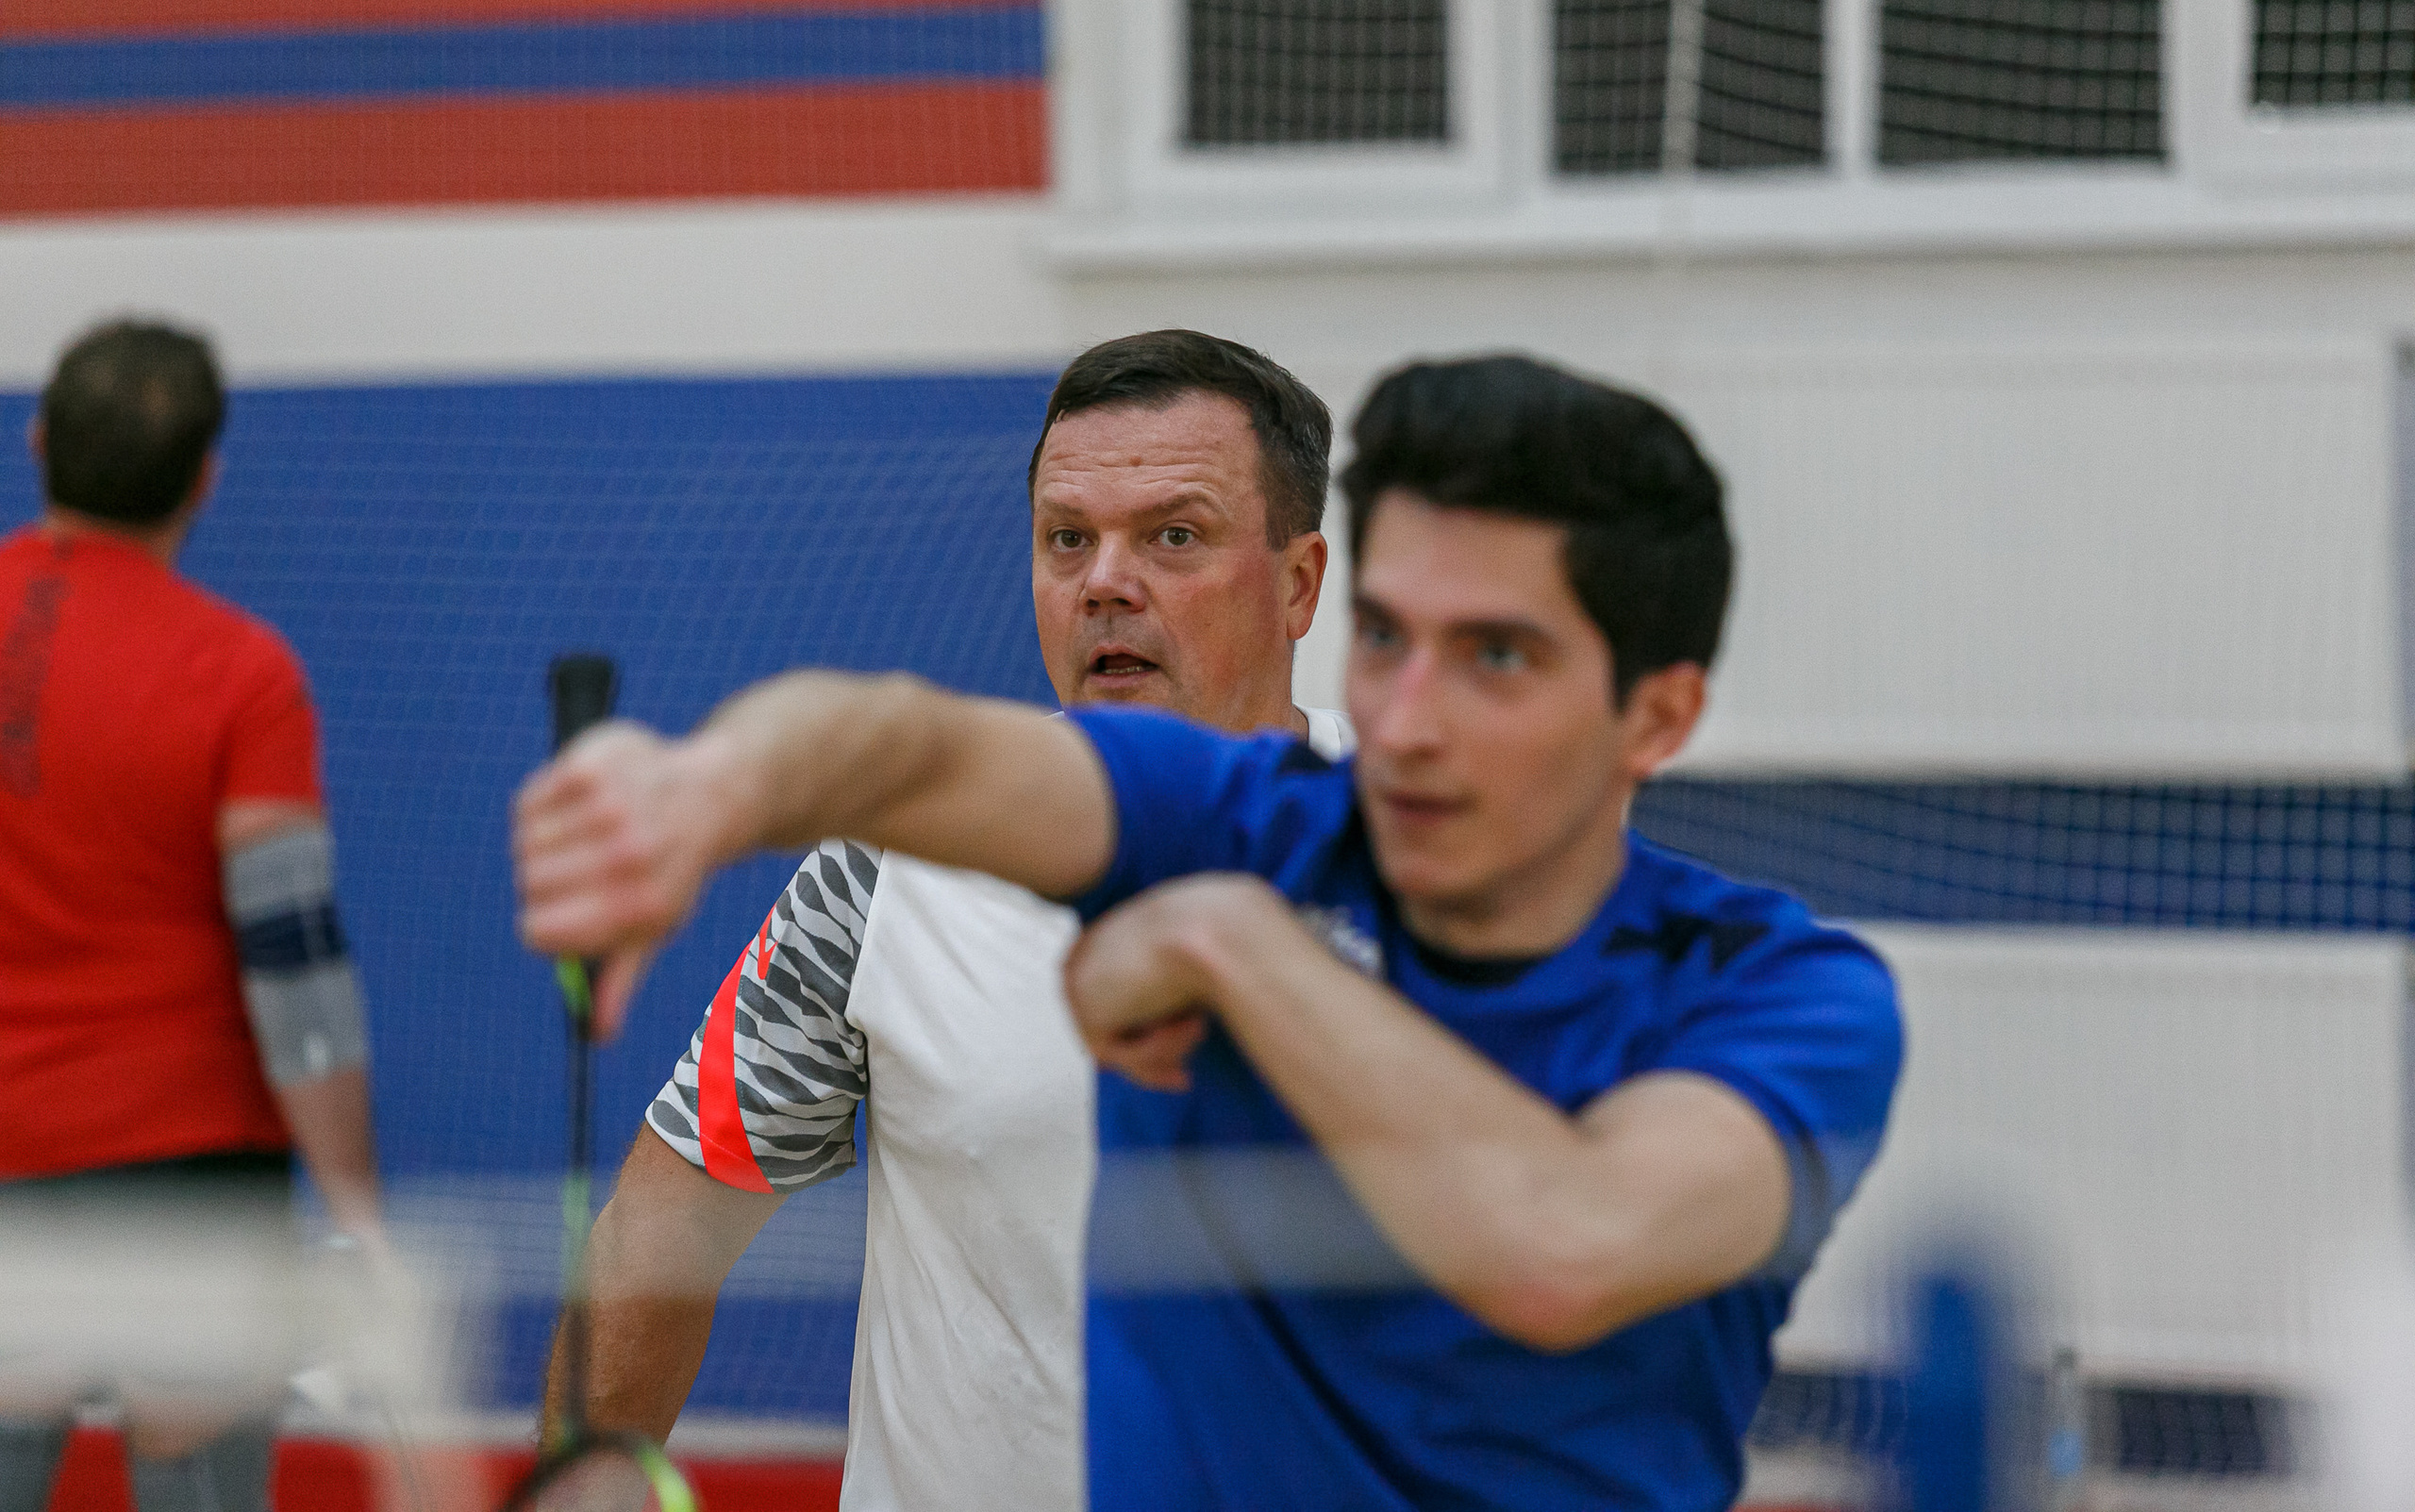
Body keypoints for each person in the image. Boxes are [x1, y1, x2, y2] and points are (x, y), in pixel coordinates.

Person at [514, 354, 1904, 1512]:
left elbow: (1567, 1242)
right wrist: (706, 788)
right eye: (1393, 638)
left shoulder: (1774, 993)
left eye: (1496, 654)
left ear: (1656, 716)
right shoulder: (1216, 806)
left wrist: (1236, 951)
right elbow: (901, 746)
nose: (1414, 710)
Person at [548, 329, 1349, 1509]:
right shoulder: (884, 866)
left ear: (1298, 583)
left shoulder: (1437, 857)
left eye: (1173, 537)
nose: (1105, 581)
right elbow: (660, 1229)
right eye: (1065, 540)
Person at [0, 322, 383, 1512]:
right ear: (206, 476)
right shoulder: (241, 675)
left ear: (42, 439)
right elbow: (294, 970)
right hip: (190, 1182)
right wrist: (359, 1207)